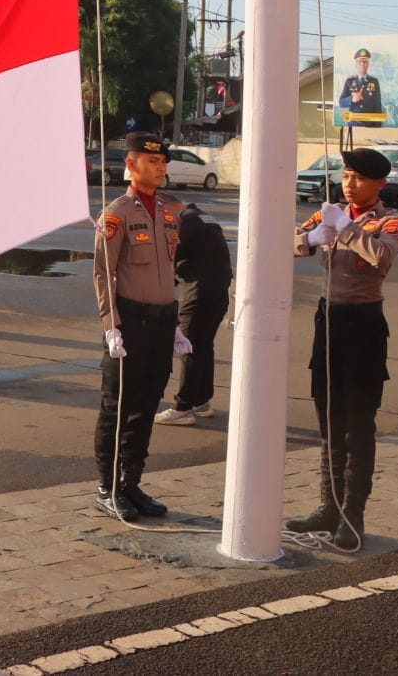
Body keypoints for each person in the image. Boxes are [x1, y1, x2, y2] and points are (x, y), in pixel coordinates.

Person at [287, 147, 398, 550]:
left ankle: (352, 515)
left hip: (363, 325)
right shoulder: (330, 213)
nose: (349, 183)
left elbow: (381, 257)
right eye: (346, 175)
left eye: (358, 177)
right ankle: (329, 506)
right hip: (328, 321)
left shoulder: (389, 223)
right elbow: (284, 243)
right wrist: (310, 238)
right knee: (329, 419)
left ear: (380, 183)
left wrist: (347, 230)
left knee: (358, 424)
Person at [91, 132, 190, 521]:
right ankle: (107, 487)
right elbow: (103, 274)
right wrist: (111, 325)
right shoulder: (116, 214)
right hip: (129, 324)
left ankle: (131, 483)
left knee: (147, 406)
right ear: (132, 165)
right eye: (153, 162)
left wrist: (175, 325)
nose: (160, 168)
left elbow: (169, 271)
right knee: (117, 408)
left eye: (163, 162)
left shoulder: (168, 213)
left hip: (161, 324)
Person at [155, 202, 234, 426]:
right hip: (217, 291)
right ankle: (201, 400)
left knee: (188, 347)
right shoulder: (204, 217)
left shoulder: (184, 223)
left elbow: (170, 258)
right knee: (203, 346)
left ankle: (183, 407)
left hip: (198, 293)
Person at [338, 48, 384, 117]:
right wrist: (352, 99)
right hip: (354, 121)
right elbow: (341, 103)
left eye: (365, 61)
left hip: (370, 122)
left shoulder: (374, 81)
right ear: (356, 64)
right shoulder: (349, 81)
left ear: (368, 64)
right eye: (359, 61)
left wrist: (378, 122)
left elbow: (378, 104)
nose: (362, 64)